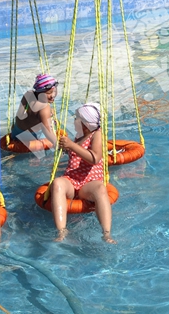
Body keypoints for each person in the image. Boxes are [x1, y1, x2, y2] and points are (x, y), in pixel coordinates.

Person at [47, 103, 115, 243]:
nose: (74, 121)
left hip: (89, 183)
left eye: (76, 119)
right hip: (72, 180)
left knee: (100, 188)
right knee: (57, 183)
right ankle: (61, 231)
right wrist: (63, 146)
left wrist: (71, 145)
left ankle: (106, 233)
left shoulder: (96, 135)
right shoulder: (79, 137)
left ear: (85, 124)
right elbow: (73, 153)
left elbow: (95, 158)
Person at [11, 73, 59, 148]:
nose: (52, 95)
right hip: (30, 137)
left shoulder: (28, 94)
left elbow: (19, 114)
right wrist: (57, 144)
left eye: (54, 91)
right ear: (39, 92)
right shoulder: (44, 108)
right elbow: (47, 131)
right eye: (49, 93)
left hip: (16, 131)